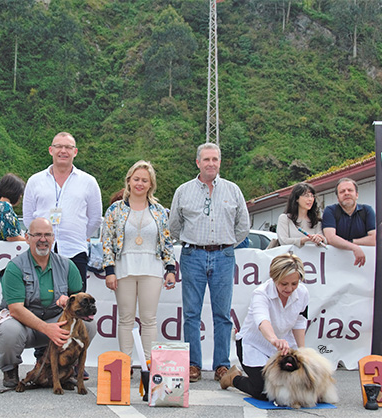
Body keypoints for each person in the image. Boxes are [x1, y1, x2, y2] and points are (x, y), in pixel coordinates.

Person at [169, 142, 249, 382]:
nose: (211, 163)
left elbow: (243, 226)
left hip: (224, 256)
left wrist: (226, 245)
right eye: (206, 159)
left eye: (215, 159)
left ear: (220, 162)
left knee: (222, 314)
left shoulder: (233, 190)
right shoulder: (183, 191)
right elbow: (174, 226)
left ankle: (221, 365)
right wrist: (194, 242)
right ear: (198, 162)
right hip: (192, 255)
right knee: (191, 313)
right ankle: (193, 364)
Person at [0, 218, 94, 388]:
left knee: (88, 325)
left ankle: (66, 368)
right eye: (37, 235)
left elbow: (78, 298)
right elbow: (16, 309)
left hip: (56, 322)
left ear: (53, 238)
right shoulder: (14, 267)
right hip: (24, 324)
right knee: (9, 330)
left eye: (47, 235)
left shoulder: (68, 265)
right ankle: (10, 369)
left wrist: (67, 301)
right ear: (27, 238)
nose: (43, 239)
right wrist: (46, 328)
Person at [101, 161, 176, 371]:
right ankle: (124, 365)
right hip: (123, 267)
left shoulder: (159, 211)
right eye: (136, 179)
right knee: (125, 319)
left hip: (152, 268)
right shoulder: (115, 210)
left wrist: (170, 268)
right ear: (129, 181)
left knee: (149, 319)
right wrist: (109, 270)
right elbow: (106, 241)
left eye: (144, 180)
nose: (140, 183)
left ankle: (149, 366)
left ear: (151, 184)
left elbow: (167, 242)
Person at [219, 253, 309, 398]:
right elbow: (262, 321)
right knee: (264, 390)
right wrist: (274, 339)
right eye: (284, 284)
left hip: (284, 348)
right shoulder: (260, 294)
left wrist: (303, 351)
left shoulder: (303, 293)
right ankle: (233, 378)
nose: (289, 289)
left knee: (297, 387)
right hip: (254, 345)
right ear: (274, 278)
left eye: (294, 284)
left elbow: (299, 320)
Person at [22, 132, 103, 291]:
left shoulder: (88, 182)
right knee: (40, 297)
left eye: (68, 147)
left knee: (76, 299)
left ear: (75, 152)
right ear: (51, 150)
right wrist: (40, 236)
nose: (63, 151)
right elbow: (28, 218)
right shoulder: (35, 181)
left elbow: (95, 218)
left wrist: (78, 234)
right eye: (59, 146)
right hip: (40, 251)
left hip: (75, 250)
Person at [321, 178, 376, 267]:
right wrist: (354, 247)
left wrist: (351, 242)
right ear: (338, 198)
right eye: (342, 191)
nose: (346, 193)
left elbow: (374, 239)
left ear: (357, 195)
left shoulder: (367, 210)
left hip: (363, 266)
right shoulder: (330, 210)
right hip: (335, 265)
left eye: (350, 190)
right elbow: (330, 238)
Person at [277, 182, 326, 247]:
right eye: (306, 196)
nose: (310, 199)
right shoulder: (285, 218)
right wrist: (303, 240)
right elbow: (283, 241)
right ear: (297, 199)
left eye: (312, 196)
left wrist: (320, 239)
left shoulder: (316, 221)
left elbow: (324, 241)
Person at [0, 173, 26, 242]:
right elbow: (10, 236)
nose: (20, 196)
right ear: (14, 192)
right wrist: (29, 241)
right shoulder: (5, 207)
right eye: (20, 193)